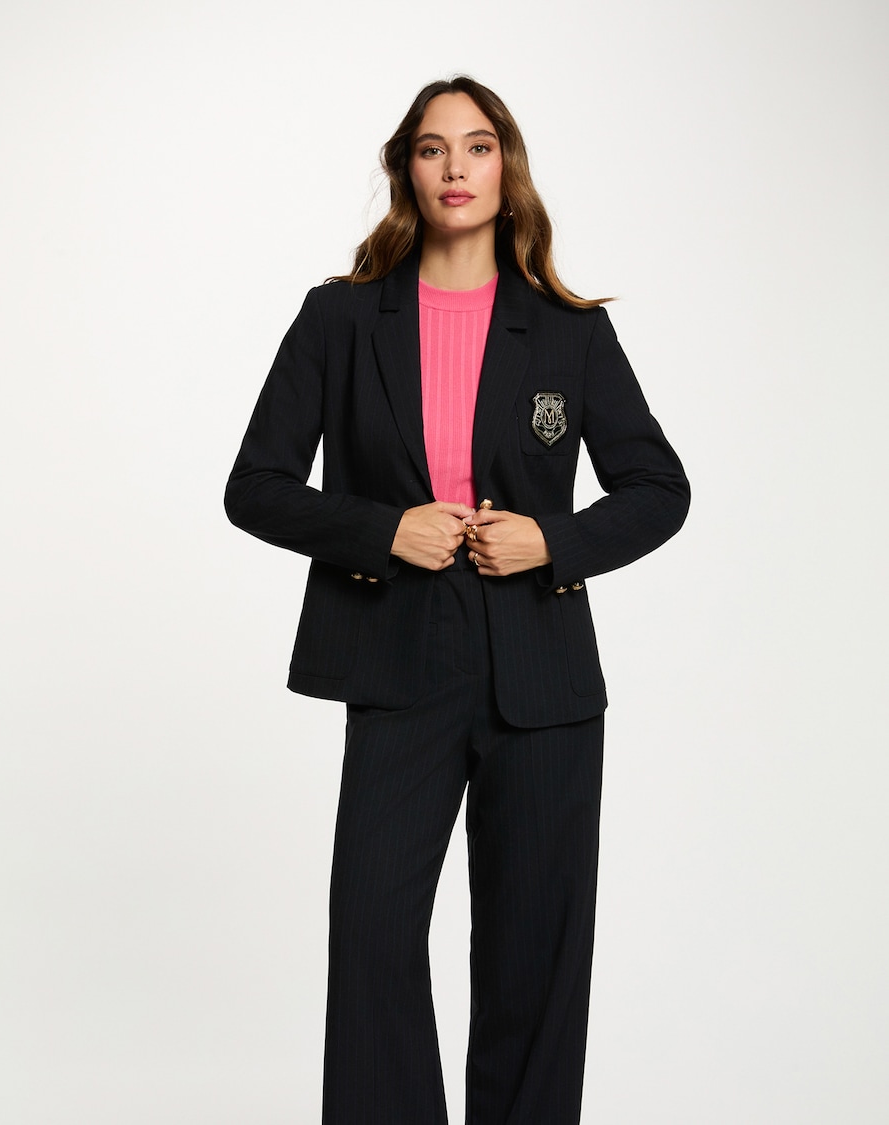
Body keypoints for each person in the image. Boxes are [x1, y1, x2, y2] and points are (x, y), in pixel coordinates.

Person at [225, 75, 689, 1125]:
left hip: (542, 670)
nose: (455, 169)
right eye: (432, 149)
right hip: (397, 655)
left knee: (534, 959)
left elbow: (661, 489)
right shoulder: (341, 318)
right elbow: (254, 486)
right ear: (407, 169)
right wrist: (382, 530)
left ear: (505, 168)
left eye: (477, 147)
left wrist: (552, 540)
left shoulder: (568, 331)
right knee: (374, 937)